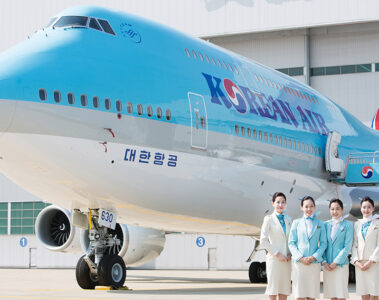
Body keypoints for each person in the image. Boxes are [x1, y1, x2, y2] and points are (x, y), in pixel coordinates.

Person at [288, 195, 327, 300]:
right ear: (301, 207)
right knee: (299, 295)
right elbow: (291, 243)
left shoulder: (320, 223)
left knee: (312, 295)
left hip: (314, 264)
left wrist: (314, 257)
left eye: (311, 206)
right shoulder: (296, 223)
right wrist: (300, 258)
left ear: (314, 207)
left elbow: (323, 243)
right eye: (306, 206)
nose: (309, 209)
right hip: (300, 264)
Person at [260, 192, 292, 300]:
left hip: (287, 260)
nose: (280, 204)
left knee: (284, 288)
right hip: (274, 259)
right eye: (278, 202)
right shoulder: (268, 219)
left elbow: (291, 240)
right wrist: (278, 254)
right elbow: (263, 241)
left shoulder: (288, 219)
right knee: (273, 288)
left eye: (283, 202)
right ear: (273, 203)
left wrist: (290, 254)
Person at [323, 198, 353, 300]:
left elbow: (347, 246)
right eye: (332, 209)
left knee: (341, 294)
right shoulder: (325, 224)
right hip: (328, 265)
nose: (334, 212)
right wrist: (324, 261)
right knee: (332, 294)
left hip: (340, 265)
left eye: (337, 209)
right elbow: (323, 244)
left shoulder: (348, 225)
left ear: (342, 209)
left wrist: (335, 262)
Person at [351, 196, 379, 300]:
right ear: (360, 209)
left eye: (368, 207)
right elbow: (354, 244)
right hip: (360, 264)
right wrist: (356, 261)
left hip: (374, 263)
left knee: (374, 292)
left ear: (373, 209)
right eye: (364, 207)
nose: (366, 210)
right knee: (364, 292)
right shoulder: (357, 224)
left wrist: (371, 260)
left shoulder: (377, 223)